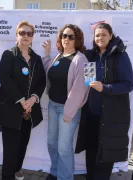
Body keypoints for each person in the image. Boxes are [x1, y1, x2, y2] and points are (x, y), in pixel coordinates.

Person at [74, 22, 133, 180]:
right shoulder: (91, 55)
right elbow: (88, 81)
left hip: (109, 117)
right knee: (91, 153)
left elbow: (128, 85)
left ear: (110, 36)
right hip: (91, 114)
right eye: (97, 35)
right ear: (94, 38)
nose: (100, 38)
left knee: (105, 157)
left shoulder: (120, 55)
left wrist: (105, 88)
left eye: (104, 35)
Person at [0, 21, 46, 180]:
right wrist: (22, 100)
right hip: (10, 111)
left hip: (29, 112)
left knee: (22, 146)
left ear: (32, 37)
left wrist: (33, 98)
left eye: (29, 33)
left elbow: (42, 81)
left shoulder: (36, 58)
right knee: (10, 150)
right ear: (17, 35)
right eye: (22, 33)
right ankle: (7, 176)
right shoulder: (9, 54)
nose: (26, 36)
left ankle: (17, 171)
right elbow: (4, 78)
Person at [42, 24, 89, 180]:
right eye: (64, 36)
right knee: (51, 143)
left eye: (71, 36)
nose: (66, 39)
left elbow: (80, 89)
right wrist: (47, 54)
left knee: (64, 148)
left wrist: (69, 112)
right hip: (53, 105)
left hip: (68, 110)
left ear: (77, 39)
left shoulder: (81, 59)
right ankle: (55, 172)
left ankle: (65, 177)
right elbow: (47, 71)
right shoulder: (58, 56)